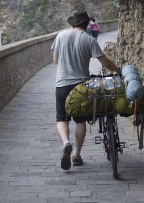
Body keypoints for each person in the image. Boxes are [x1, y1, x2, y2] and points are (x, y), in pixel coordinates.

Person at [50, 11, 122, 170]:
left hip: (62, 84)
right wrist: (118, 70)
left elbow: (55, 60)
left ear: (73, 23)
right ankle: (76, 154)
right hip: (81, 87)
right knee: (80, 120)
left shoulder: (61, 36)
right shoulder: (89, 40)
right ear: (87, 24)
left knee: (62, 119)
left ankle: (66, 143)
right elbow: (106, 63)